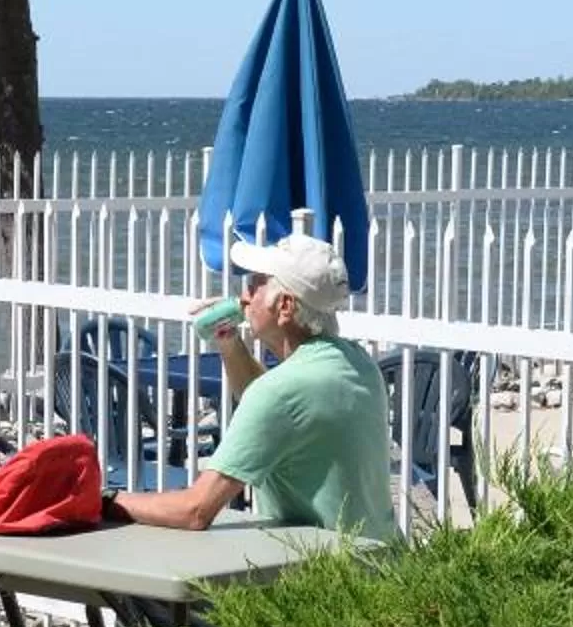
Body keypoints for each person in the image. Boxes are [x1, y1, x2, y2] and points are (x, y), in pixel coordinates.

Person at [114, 232, 398, 542]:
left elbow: (195, 511)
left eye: (254, 285)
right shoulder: (358, 363)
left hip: (322, 576)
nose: (245, 297)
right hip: (381, 565)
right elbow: (275, 410)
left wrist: (108, 500)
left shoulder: (282, 390)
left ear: (285, 306)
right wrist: (230, 342)